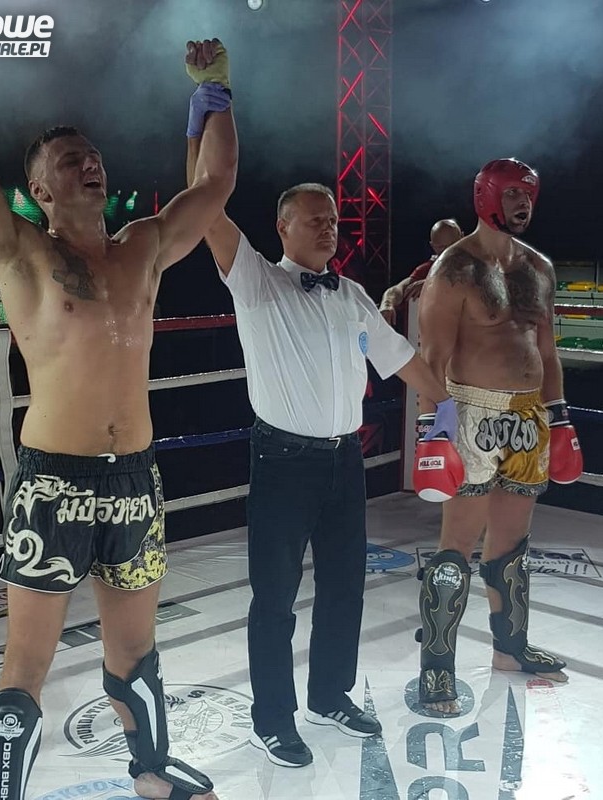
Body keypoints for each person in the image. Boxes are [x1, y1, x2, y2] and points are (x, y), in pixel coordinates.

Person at [0, 1, 236, 797]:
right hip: (53, 482)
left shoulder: (145, 248)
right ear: (38, 188)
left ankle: (152, 773)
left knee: (136, 655)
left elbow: (216, 183)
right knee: (26, 666)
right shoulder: (20, 252)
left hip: (134, 479)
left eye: (92, 155)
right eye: (69, 160)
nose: (88, 164)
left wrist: (215, 94)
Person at [186, 130, 458, 764]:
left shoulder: (352, 296)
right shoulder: (257, 282)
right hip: (283, 462)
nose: (329, 228)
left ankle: (330, 695)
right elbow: (204, 205)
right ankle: (272, 719)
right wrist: (203, 122)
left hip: (345, 459)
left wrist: (445, 415)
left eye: (333, 220)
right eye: (315, 220)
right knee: (274, 598)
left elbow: (406, 363)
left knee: (344, 587)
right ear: (282, 227)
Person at [415, 158, 582, 717]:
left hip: (529, 416)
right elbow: (432, 358)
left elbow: (547, 352)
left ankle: (510, 649)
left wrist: (560, 419)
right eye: (512, 194)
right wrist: (432, 433)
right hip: (471, 414)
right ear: (486, 196)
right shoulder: (454, 268)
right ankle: (437, 666)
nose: (523, 203)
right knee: (456, 545)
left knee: (512, 544)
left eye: (528, 194)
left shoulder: (539, 267)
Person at [379, 218, 463, 325]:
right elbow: (397, 289)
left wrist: (432, 284)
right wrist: (387, 304)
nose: (448, 251)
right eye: (441, 247)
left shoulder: (475, 265)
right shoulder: (427, 269)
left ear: (462, 238)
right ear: (433, 246)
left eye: (453, 245)